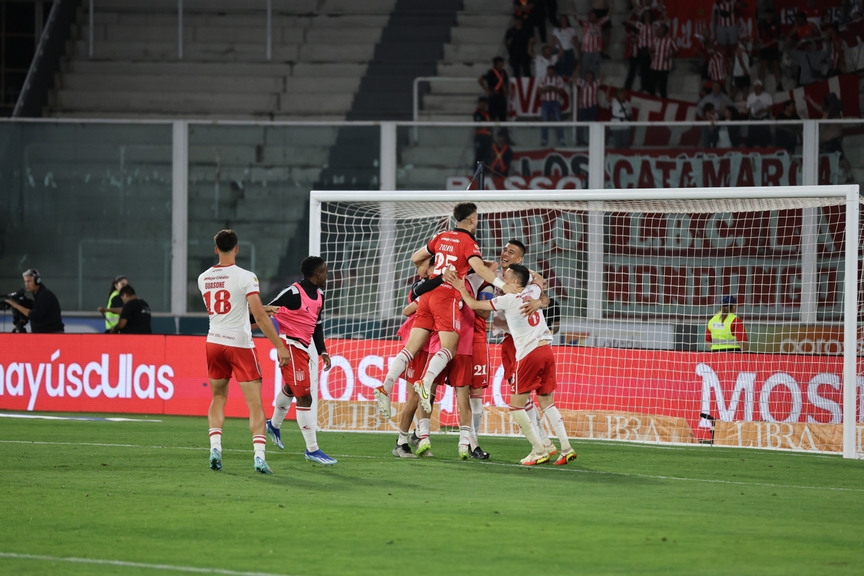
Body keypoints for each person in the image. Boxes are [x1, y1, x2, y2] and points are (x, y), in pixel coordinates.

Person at [372, 203, 518, 419]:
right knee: (449, 348)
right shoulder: (469, 242)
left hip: (427, 295)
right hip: (446, 297)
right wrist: (503, 285)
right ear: (472, 219)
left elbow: (415, 259)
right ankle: (426, 381)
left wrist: (432, 269)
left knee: (411, 349)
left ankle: (385, 386)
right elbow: (479, 268)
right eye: (476, 217)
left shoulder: (440, 236)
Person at [447, 264, 577, 466]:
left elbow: (473, 305)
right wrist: (535, 285)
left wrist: (460, 287)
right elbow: (539, 281)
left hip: (529, 354)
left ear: (515, 281)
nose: (502, 278)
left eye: (506, 276)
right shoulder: (532, 291)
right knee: (547, 402)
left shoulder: (508, 299)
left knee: (516, 406)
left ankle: (538, 449)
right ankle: (566, 448)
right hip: (547, 351)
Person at [197, 229, 291, 475]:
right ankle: (259, 457)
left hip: (214, 342)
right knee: (254, 403)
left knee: (218, 398)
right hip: (239, 344)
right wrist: (279, 346)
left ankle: (215, 448)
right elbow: (258, 317)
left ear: (216, 249)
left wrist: (258, 311)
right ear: (237, 248)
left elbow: (227, 312)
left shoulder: (203, 278)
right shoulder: (246, 277)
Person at [263, 256, 337, 465]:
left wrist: (322, 351)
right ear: (317, 274)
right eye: (325, 271)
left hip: (303, 348)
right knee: (305, 397)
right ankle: (312, 449)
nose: (327, 274)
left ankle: (273, 424)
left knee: (292, 387)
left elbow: (317, 325)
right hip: (290, 345)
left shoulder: (320, 295)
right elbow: (264, 311)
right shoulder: (293, 293)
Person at [490, 240, 555, 456]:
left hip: (521, 342)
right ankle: (546, 442)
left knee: (520, 396)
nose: (505, 253)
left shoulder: (521, 278)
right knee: (522, 396)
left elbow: (542, 290)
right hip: (508, 341)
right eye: (504, 250)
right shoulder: (498, 276)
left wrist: (540, 302)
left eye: (511, 252)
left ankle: (542, 444)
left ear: (519, 260)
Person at [4, 269, 64, 334]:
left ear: (37, 281)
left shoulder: (44, 295)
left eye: (29, 281)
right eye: (25, 281)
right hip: (46, 335)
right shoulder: (39, 294)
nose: (26, 284)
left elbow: (35, 315)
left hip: (51, 336)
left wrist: (16, 305)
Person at [538, 65, 567, 146]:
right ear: (547, 71)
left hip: (555, 102)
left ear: (554, 71)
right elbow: (539, 91)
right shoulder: (542, 78)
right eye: (549, 70)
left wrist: (553, 89)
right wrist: (546, 89)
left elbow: (562, 91)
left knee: (558, 121)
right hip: (545, 102)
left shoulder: (559, 79)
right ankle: (544, 139)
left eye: (551, 71)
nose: (550, 72)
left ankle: (561, 139)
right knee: (544, 121)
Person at [577, 10, 610, 79]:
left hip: (596, 51)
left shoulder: (599, 23)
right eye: (591, 16)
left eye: (594, 16)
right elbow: (577, 17)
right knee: (585, 68)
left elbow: (607, 17)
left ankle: (595, 84)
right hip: (586, 50)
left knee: (596, 68)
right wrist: (574, 8)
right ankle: (584, 85)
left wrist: (611, 8)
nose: (592, 18)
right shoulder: (585, 23)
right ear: (588, 17)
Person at [756, 8, 783, 91]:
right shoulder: (761, 23)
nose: (766, 16)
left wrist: (778, 38)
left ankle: (779, 84)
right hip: (764, 46)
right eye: (765, 14)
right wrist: (758, 39)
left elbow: (780, 34)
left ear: (771, 15)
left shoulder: (776, 23)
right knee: (763, 65)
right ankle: (761, 85)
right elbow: (757, 33)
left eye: (768, 14)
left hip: (774, 47)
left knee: (776, 65)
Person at [649, 23, 677, 98]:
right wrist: (651, 53)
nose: (657, 30)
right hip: (654, 65)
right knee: (651, 84)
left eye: (659, 29)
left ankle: (663, 101)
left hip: (664, 66)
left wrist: (670, 56)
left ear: (663, 31)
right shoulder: (654, 39)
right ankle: (652, 99)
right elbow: (651, 49)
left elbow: (676, 50)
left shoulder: (670, 40)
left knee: (662, 86)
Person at [478, 57, 509, 121]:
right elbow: (480, 80)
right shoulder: (490, 72)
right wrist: (487, 90)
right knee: (492, 115)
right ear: (497, 63)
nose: (503, 63)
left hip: (501, 96)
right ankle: (491, 130)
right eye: (501, 62)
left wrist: (507, 91)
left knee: (503, 115)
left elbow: (506, 82)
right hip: (493, 96)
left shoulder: (503, 72)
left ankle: (503, 130)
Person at [575, 69, 601, 146]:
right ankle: (580, 140)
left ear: (593, 77)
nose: (588, 76)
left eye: (590, 75)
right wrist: (577, 69)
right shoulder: (582, 83)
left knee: (591, 124)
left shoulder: (596, 83)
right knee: (581, 125)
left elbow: (603, 77)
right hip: (583, 108)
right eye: (587, 75)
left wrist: (600, 71)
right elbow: (573, 77)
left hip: (592, 107)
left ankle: (591, 140)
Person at [745, 80, 772, 147]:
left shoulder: (767, 96)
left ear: (761, 86)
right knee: (751, 140)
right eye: (755, 86)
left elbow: (771, 108)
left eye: (758, 86)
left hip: (763, 119)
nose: (756, 87)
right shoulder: (750, 96)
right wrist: (750, 112)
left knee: (764, 140)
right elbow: (748, 109)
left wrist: (761, 110)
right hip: (753, 119)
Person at [473, 97, 493, 171]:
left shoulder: (487, 113)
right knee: (479, 154)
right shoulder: (477, 113)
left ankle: (485, 171)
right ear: (479, 103)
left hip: (487, 136)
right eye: (481, 102)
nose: (483, 104)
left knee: (487, 154)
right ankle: (476, 171)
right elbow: (480, 123)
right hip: (480, 136)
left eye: (484, 103)